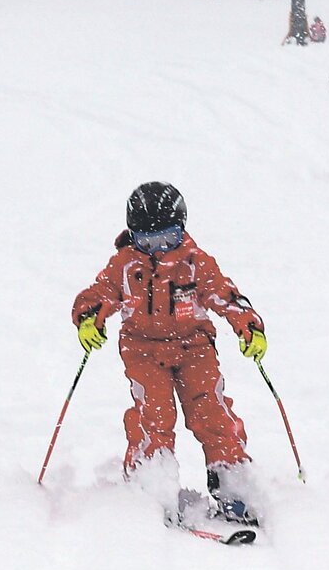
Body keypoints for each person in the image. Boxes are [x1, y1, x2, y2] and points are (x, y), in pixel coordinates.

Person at [71, 182, 267, 525]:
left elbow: (225, 294)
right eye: (148, 242)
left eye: (168, 239)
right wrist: (90, 317)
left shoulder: (196, 263)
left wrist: (247, 325)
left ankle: (231, 482)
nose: (158, 250)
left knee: (212, 412)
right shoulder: (125, 264)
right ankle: (151, 484)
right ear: (134, 237)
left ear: (183, 229)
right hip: (143, 351)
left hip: (194, 348)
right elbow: (100, 293)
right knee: (154, 416)